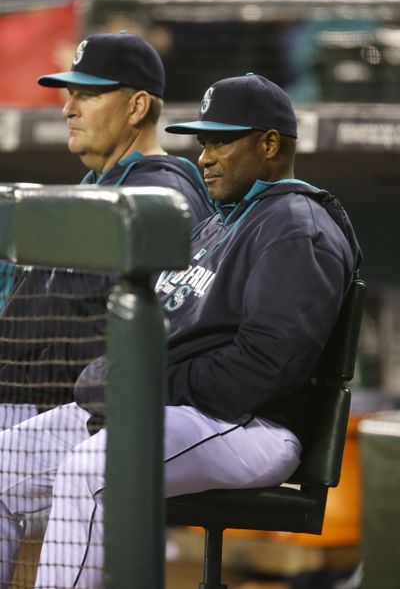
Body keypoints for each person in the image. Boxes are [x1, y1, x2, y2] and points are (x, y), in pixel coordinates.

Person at [0, 73, 362, 589]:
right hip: (181, 411)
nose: (205, 157)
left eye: (222, 141)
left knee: (91, 472)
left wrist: (147, 390)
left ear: (270, 143)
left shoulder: (296, 226)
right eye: (203, 142)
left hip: (251, 424)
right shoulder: (222, 221)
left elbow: (266, 365)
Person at [0, 31, 213, 431]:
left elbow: (134, 336)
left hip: (82, 412)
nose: (68, 110)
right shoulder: (101, 186)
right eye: (69, 94)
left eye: (89, 95)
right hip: (27, 402)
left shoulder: (162, 197)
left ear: (137, 107)